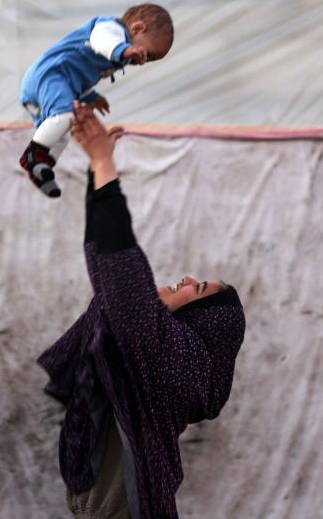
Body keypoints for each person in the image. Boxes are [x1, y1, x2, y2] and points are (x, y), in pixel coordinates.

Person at [37, 102, 246, 518]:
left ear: (201, 322)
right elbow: (107, 270)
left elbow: (122, 274)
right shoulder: (162, 357)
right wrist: (99, 175)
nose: (186, 279)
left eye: (199, 287)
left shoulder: (178, 360)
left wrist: (103, 162)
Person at [19, 4, 174, 198]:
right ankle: (32, 157)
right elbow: (101, 40)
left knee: (66, 130)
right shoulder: (109, 27)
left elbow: (80, 77)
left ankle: (42, 169)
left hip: (60, 81)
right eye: (148, 54)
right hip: (49, 75)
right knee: (65, 116)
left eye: (149, 60)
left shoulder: (115, 57)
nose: (143, 62)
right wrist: (124, 50)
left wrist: (92, 97)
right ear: (137, 29)